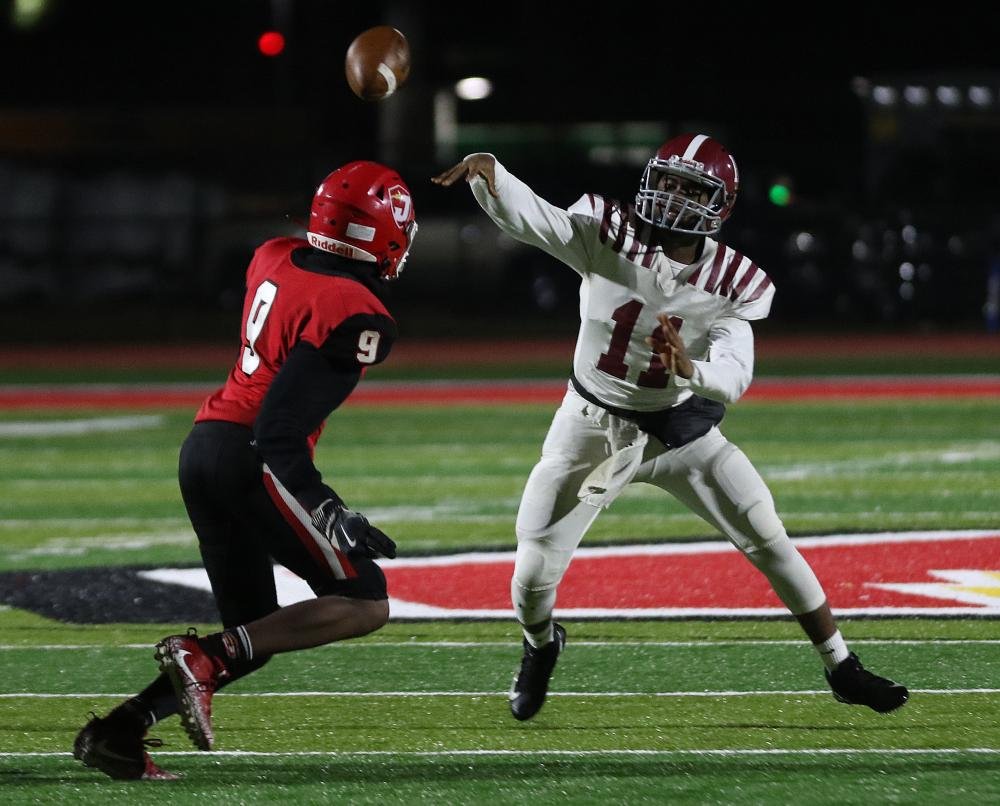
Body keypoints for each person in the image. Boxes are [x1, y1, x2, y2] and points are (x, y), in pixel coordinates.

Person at [432, 134, 908, 721]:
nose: (673, 195)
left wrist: (694, 369)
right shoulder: (607, 232)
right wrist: (494, 176)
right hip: (591, 424)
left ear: (720, 204)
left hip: (679, 430)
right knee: (531, 572)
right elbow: (539, 220)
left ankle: (842, 666)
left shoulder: (735, 279)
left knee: (766, 534)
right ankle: (540, 646)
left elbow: (735, 374)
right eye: (669, 180)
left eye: (691, 187)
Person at [73, 160, 417, 779]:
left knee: (250, 635)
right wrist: (327, 507)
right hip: (249, 457)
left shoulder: (273, 255)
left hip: (202, 447)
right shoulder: (359, 314)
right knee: (365, 601)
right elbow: (277, 432)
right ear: (386, 233)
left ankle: (119, 731)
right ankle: (196, 665)